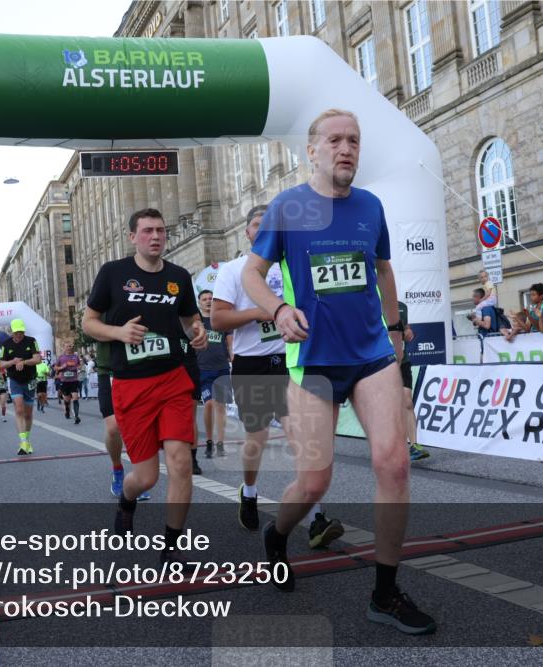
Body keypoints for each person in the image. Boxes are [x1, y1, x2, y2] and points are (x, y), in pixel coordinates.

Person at [240, 109, 436, 634]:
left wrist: (395, 330)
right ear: (313, 150)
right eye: (335, 140)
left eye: (354, 139)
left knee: (393, 465)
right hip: (315, 361)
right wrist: (278, 311)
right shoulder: (287, 207)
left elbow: (383, 268)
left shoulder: (371, 206)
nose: (346, 148)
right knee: (314, 479)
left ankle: (386, 592)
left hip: (371, 354)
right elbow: (252, 274)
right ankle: (277, 536)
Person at [213, 205, 344, 545]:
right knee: (255, 440)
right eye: (258, 225)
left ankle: (316, 519)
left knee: (303, 442)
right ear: (248, 233)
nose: (264, 230)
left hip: (290, 362)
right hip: (251, 365)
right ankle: (250, 490)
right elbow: (217, 320)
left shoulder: (291, 264)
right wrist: (264, 310)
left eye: (271, 225)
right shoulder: (235, 270)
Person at [83, 207, 207, 566]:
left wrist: (196, 332)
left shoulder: (179, 277)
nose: (156, 236)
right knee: (147, 477)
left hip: (172, 381)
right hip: (131, 384)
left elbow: (190, 318)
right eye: (148, 231)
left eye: (161, 230)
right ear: (132, 237)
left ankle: (171, 546)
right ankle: (127, 499)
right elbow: (89, 322)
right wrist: (118, 332)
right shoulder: (113, 274)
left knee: (181, 462)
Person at [93, 337, 150, 501]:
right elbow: (89, 330)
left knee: (136, 425)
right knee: (113, 428)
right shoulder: (100, 310)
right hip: (108, 371)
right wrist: (118, 331)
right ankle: (117, 470)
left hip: (134, 369)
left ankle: (138, 476)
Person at [196, 289, 232, 458]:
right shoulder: (196, 321)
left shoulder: (219, 319)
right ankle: (209, 441)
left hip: (222, 367)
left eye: (211, 298)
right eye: (204, 299)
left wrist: (233, 357)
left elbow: (229, 341)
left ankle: (220, 443)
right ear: (199, 302)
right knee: (209, 403)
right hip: (203, 369)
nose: (208, 301)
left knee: (220, 405)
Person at [0, 319, 42, 455]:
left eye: (21, 332)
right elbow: (1, 365)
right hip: (14, 380)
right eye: (17, 332)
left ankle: (27, 440)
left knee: (28, 413)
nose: (19, 335)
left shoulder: (31, 341)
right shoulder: (6, 344)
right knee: (19, 409)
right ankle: (23, 442)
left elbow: (38, 359)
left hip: (29, 380)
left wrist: (24, 361)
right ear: (12, 332)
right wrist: (13, 361)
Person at [394, 302, 428, 461]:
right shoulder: (370, 303)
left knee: (407, 402)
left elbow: (406, 328)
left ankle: (414, 445)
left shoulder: (401, 306)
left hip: (403, 361)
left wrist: (408, 332)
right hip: (380, 362)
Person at [55, 344, 82, 422]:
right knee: (67, 399)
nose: (69, 347)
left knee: (75, 397)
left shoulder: (75, 356)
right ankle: (67, 411)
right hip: (64, 381)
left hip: (74, 380)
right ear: (64, 347)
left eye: (70, 346)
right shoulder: (61, 357)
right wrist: (62, 367)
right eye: (67, 346)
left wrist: (78, 368)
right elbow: (55, 367)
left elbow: (79, 366)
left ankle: (76, 416)